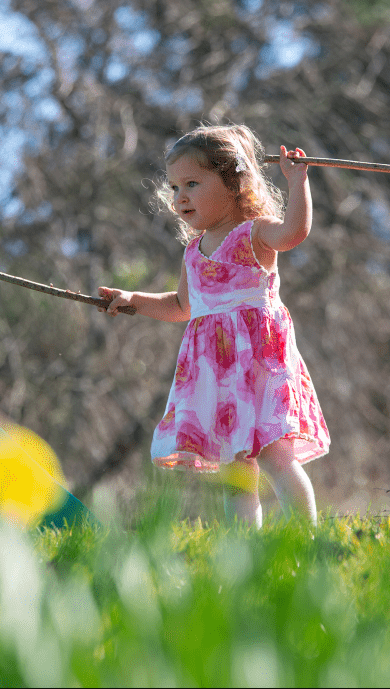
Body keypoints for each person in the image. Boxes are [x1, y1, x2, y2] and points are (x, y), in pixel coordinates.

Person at [99, 124, 329, 526]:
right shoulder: (193, 250)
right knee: (235, 469)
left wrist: (298, 182)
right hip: (216, 374)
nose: (180, 197)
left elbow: (294, 233)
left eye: (191, 183)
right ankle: (244, 554)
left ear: (233, 182)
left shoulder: (253, 233)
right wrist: (134, 300)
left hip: (259, 362)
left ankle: (306, 541)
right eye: (173, 187)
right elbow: (181, 306)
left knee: (277, 455)